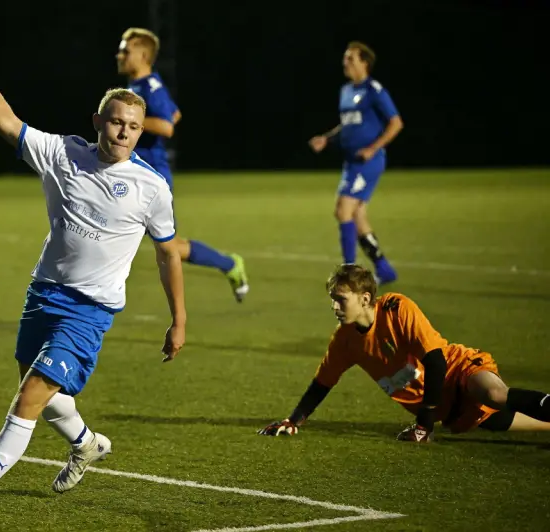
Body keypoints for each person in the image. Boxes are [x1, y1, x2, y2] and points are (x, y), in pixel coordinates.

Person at [0, 22, 187, 531]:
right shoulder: (64, 153)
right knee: (43, 393)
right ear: (99, 121)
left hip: (90, 311)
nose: (123, 133)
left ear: (141, 131)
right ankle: (86, 444)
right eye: (115, 122)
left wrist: (179, 320)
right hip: (44, 294)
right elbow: (7, 123)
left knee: (29, 397)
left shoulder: (152, 187)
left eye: (133, 127)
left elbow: (167, 254)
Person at [258, 264, 550, 442]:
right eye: (332, 300)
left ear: (365, 298)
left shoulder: (396, 308)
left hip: (457, 370)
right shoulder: (344, 340)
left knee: (496, 395)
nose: (334, 307)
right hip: (451, 411)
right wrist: (293, 420)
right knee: (519, 423)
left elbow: (436, 362)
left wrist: (424, 424)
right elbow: (322, 383)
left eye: (340, 300)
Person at [116, 27, 249, 302]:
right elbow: (174, 113)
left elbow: (166, 125)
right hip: (134, 175)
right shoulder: (137, 87)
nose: (119, 55)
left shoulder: (150, 86)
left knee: (169, 247)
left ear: (142, 55)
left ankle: (229, 264)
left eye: (125, 51)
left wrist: (132, 122)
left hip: (152, 180)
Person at [308, 42, 404, 285]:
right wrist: (327, 139)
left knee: (343, 210)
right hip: (351, 162)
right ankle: (384, 268)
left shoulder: (375, 90)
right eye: (345, 58)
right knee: (357, 214)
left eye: (350, 58)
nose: (345, 63)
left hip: (368, 162)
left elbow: (396, 123)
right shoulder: (346, 91)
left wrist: (373, 148)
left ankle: (348, 274)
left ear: (365, 63)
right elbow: (348, 125)